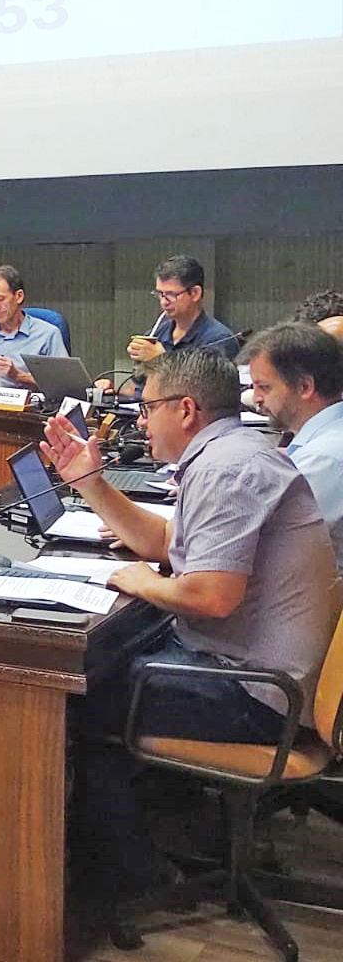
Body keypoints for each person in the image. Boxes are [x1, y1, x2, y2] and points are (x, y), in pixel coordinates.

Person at [40, 348, 338, 901]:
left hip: (257, 695)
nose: (139, 421)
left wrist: (139, 582)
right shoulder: (232, 452)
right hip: (252, 670)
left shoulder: (228, 469)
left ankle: (133, 877)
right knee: (106, 667)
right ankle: (160, 824)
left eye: (147, 407)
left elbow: (210, 596)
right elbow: (164, 543)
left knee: (73, 705)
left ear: (185, 409)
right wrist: (91, 483)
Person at [242, 322, 343, 572]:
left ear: (305, 387)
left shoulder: (324, 458)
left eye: (264, 387)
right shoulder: (324, 440)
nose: (256, 398)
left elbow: (252, 541)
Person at [0, 264, 67, 388]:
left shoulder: (47, 334)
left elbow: (63, 383)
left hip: (28, 400)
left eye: (0, 299)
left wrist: (18, 375)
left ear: (19, 296)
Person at [127, 255, 239, 365]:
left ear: (195, 293)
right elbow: (139, 377)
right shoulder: (157, 333)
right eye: (160, 294)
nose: (164, 302)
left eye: (171, 294)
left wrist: (162, 359)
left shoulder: (219, 340)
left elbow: (204, 378)